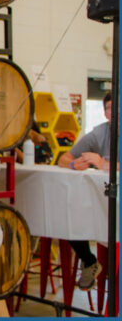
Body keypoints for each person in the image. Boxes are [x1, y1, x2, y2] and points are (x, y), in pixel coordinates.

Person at [57, 92, 111, 290]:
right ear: (105, 113)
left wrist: (102, 163)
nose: (116, 112)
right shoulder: (99, 133)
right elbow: (62, 159)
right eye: (110, 108)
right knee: (68, 218)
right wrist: (73, 164)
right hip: (102, 201)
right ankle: (89, 262)